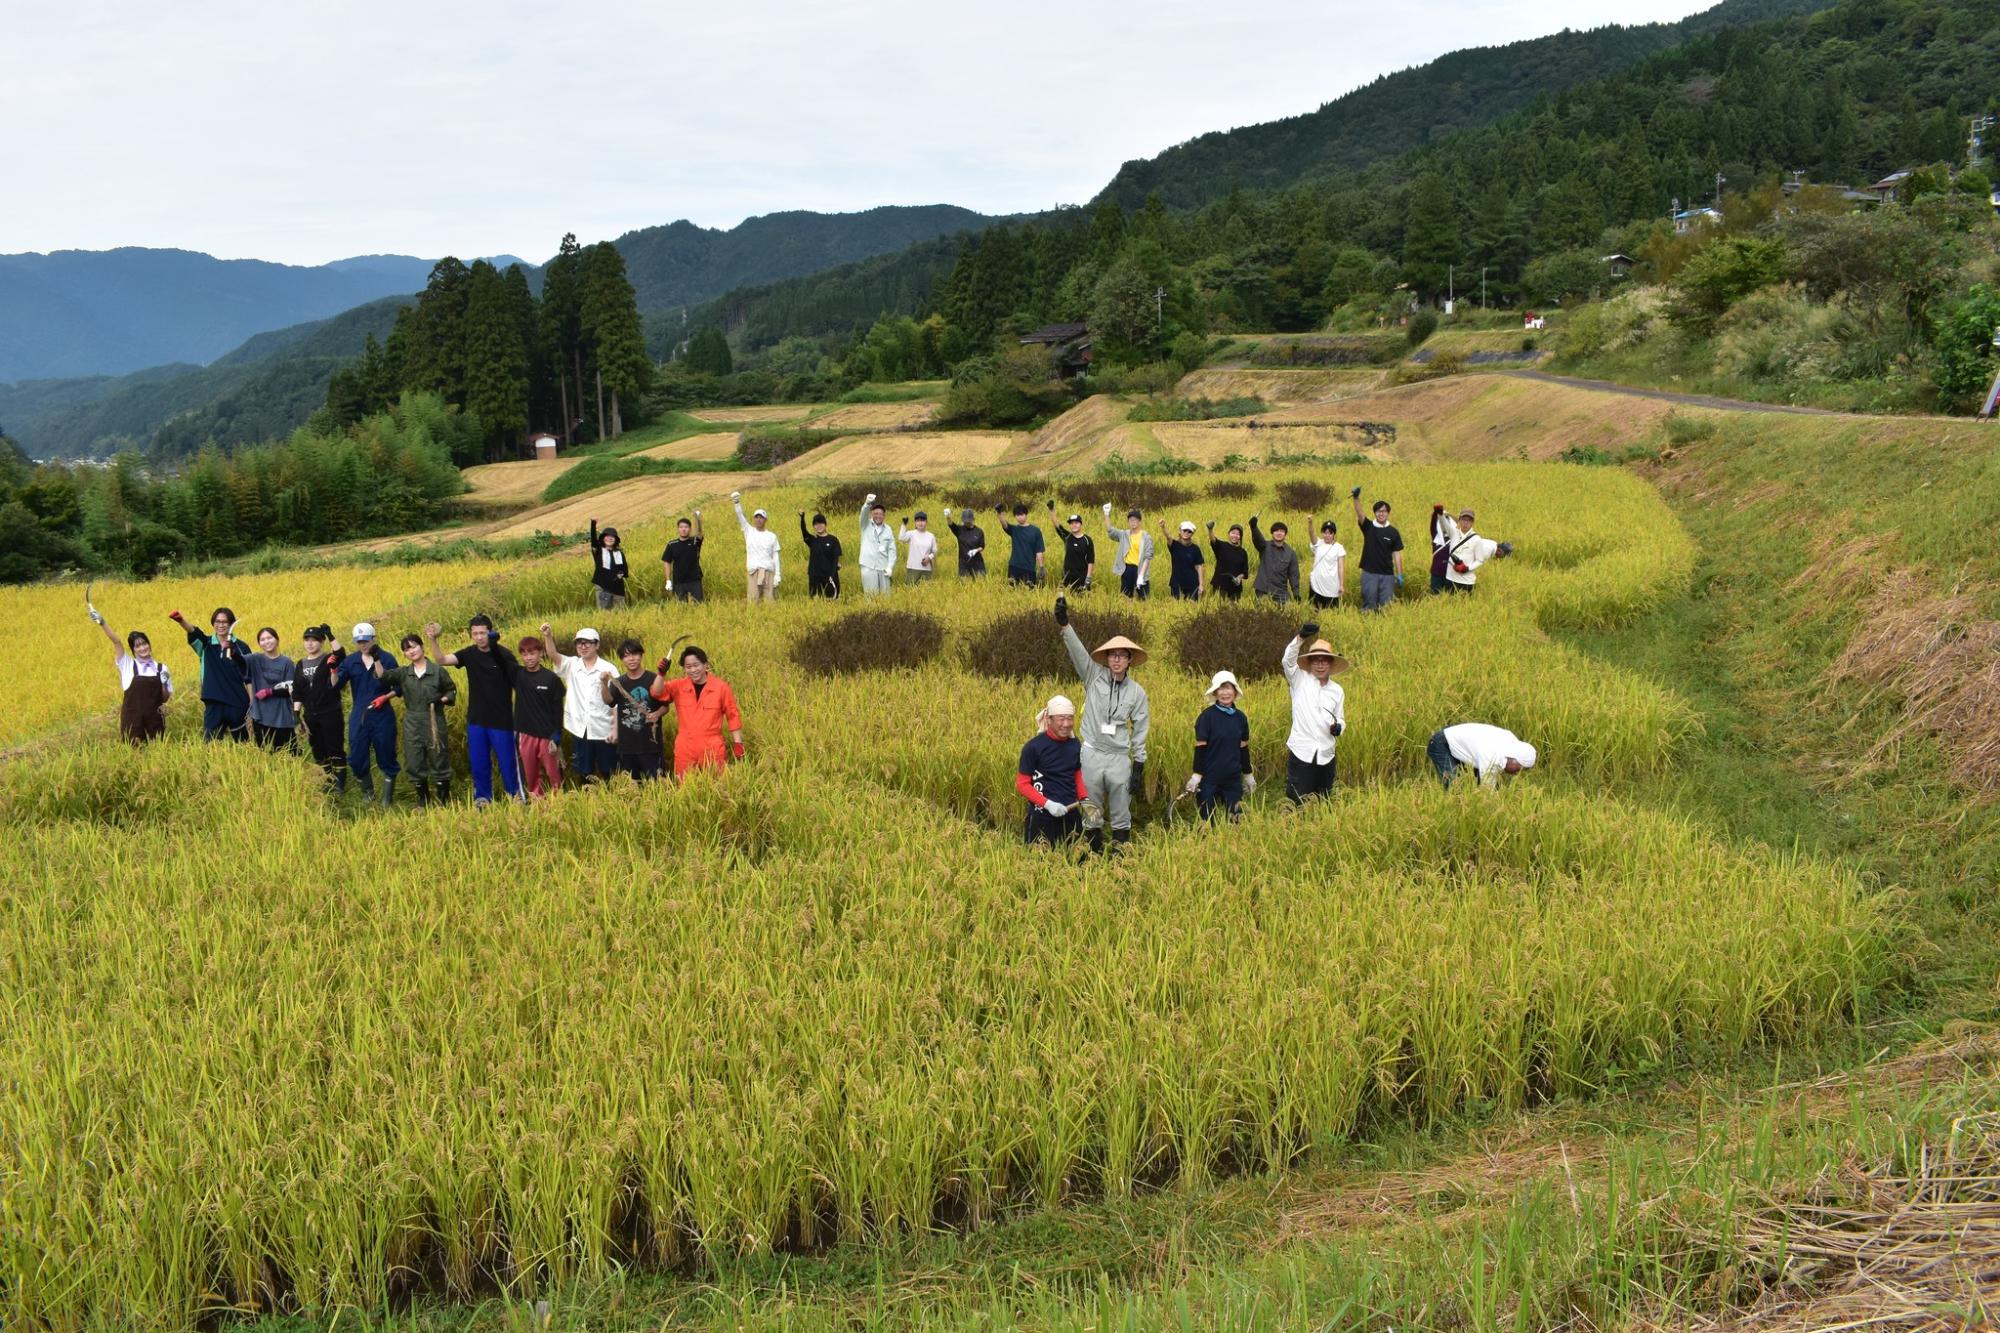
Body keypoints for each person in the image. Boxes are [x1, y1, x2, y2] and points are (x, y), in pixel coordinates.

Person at [1055, 596, 1150, 852]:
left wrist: (1139, 763)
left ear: (1130, 660)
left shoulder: (1137, 693)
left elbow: (1140, 728)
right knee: (1091, 808)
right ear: (1106, 658)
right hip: (1092, 753)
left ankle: (1121, 860)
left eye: (1122, 656)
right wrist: (1065, 624)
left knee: (1121, 810)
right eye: (1113, 655)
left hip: (1119, 757)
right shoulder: (1093, 676)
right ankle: (1092, 854)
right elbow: (1077, 652)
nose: (1117, 660)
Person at [427, 614, 522, 807]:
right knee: (479, 763)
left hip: (502, 720)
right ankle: (483, 798)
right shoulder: (469, 654)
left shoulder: (504, 655)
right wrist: (433, 639)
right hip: (476, 719)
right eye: (475, 633)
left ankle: (515, 796)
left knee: (508, 762)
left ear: (491, 632)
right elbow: (441, 659)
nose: (479, 637)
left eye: (483, 633)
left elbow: (519, 682)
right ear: (471, 634)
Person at [376, 633, 457, 808]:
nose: (411, 651)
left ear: (422, 646)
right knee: (414, 760)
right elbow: (383, 675)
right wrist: (376, 658)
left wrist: (440, 700)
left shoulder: (437, 671)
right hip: (412, 721)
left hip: (434, 719)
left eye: (413, 646)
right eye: (406, 649)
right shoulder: (404, 673)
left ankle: (443, 801)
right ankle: (423, 800)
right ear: (404, 654)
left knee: (439, 757)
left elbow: (451, 691)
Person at [540, 623, 618, 785]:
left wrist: (615, 729)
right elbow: (553, 655)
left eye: (587, 643)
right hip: (580, 728)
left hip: (603, 729)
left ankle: (615, 803)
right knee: (584, 772)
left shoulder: (608, 669)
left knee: (609, 771)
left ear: (597, 645)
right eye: (579, 643)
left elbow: (616, 703)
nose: (583, 647)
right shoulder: (572, 665)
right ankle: (589, 804)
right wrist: (548, 636)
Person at [648, 645, 743, 778]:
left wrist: (738, 743)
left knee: (717, 787)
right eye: (688, 667)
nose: (693, 670)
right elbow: (656, 692)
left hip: (712, 747)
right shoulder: (678, 686)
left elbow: (733, 716)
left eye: (696, 665)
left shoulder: (721, 688)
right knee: (685, 788)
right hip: (685, 747)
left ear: (705, 664)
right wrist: (661, 674)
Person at [1280, 621, 1347, 804]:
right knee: (1297, 802)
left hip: (1326, 754)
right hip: (1302, 753)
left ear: (1331, 663)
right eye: (1315, 660)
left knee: (1323, 802)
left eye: (1324, 661)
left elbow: (1340, 717)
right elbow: (1287, 660)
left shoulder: (1337, 690)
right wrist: (1301, 637)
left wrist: (1339, 727)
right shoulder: (1299, 680)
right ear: (1309, 663)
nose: (1320, 665)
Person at [334, 622, 399, 805]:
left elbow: (398, 686)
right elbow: (337, 685)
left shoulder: (387, 658)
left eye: (366, 640)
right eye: (359, 641)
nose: (363, 644)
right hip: (360, 713)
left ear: (374, 638)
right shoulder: (351, 661)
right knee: (356, 756)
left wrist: (385, 697)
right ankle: (368, 793)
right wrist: (333, 669)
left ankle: (387, 798)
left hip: (382, 713)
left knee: (386, 753)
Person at [91, 602, 171, 742]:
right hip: (133, 722)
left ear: (149, 645)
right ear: (133, 650)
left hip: (155, 722)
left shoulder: (161, 668)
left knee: (158, 752)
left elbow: (164, 699)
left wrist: (164, 683)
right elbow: (117, 642)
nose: (142, 648)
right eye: (138, 646)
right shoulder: (127, 664)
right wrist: (102, 622)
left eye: (144, 644)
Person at [169, 606, 251, 742]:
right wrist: (181, 620)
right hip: (214, 702)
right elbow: (194, 631)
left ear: (231, 624)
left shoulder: (241, 647)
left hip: (238, 702)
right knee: (210, 743)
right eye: (217, 622)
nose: (221, 625)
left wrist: (252, 702)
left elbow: (249, 675)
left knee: (243, 742)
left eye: (224, 622)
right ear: (213, 623)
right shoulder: (206, 644)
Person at [1017, 694, 1087, 847]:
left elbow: (1076, 773)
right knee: (1041, 864)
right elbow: (1022, 784)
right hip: (1042, 816)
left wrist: (1084, 798)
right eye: (1061, 719)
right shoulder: (1033, 748)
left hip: (1070, 813)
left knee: (1078, 862)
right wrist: (1048, 804)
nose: (1067, 724)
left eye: (1070, 718)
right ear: (1049, 719)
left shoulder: (1075, 744)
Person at [1188, 670, 1255, 821]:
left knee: (1235, 820)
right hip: (1209, 778)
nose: (1225, 693)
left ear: (1235, 691)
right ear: (1215, 692)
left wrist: (1248, 774)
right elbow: (1200, 749)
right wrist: (1196, 775)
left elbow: (1243, 749)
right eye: (1221, 688)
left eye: (1228, 688)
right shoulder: (1206, 717)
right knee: (1207, 821)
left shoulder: (1240, 718)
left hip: (1233, 777)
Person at [291, 625, 348, 791]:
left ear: (321, 642)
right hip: (310, 714)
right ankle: (327, 780)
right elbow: (297, 691)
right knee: (318, 749)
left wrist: (330, 635)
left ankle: (340, 782)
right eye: (307, 640)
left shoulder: (328, 658)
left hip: (330, 712)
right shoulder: (300, 664)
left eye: (314, 640)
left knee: (334, 747)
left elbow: (340, 654)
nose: (310, 644)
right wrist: (296, 713)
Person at [603, 638, 666, 780]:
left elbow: (665, 705)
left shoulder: (653, 678)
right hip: (627, 748)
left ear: (641, 655)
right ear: (622, 659)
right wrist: (603, 683)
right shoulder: (618, 682)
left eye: (635, 654)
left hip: (651, 747)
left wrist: (657, 713)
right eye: (626, 655)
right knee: (632, 790)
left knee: (657, 788)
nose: (631, 659)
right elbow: (609, 701)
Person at [511, 635, 566, 799]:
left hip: (547, 736)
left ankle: (560, 801)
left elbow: (558, 709)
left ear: (541, 653)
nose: (529, 658)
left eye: (532, 653)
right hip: (525, 734)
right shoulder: (518, 675)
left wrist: (557, 733)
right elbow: (500, 661)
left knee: (554, 773)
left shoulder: (551, 678)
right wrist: (492, 641)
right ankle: (538, 802)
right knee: (531, 774)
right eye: (525, 654)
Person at [1429, 723, 1536, 788]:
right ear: (1513, 759)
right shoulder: (1491, 755)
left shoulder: (1513, 745)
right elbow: (1486, 792)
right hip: (1442, 743)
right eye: (1519, 769)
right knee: (1454, 787)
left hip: (1465, 744)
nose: (1517, 773)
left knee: (1476, 784)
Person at [1431, 506, 1507, 594]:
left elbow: (1480, 560)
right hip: (1450, 579)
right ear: (1459, 520)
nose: (1466, 523)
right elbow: (1443, 524)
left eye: (1469, 520)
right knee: (1449, 604)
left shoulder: (1477, 539)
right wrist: (1439, 514)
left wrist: (1466, 568)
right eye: (1463, 519)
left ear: (1472, 522)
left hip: (1467, 582)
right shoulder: (1453, 534)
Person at [1351, 487, 1405, 611]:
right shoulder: (1369, 527)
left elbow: (1397, 554)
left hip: (1387, 574)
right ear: (1375, 513)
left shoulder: (1393, 532)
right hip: (1369, 573)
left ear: (1388, 513)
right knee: (1369, 605)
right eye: (1379, 511)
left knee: (1386, 607)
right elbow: (1360, 513)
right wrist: (1356, 498)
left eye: (1384, 511)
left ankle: (1383, 630)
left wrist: (1400, 574)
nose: (1381, 513)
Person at [245, 627, 298, 751]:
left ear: (277, 640)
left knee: (290, 754)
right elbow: (239, 661)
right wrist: (231, 650)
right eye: (262, 639)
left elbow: (290, 689)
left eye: (269, 638)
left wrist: (269, 692)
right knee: (265, 753)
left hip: (281, 716)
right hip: (260, 715)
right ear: (259, 644)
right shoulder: (254, 659)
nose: (266, 641)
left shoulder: (286, 662)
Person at [733, 491, 782, 602]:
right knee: (753, 600)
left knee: (770, 601)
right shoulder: (749, 531)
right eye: (756, 517)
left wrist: (778, 574)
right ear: (753, 519)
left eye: (761, 517)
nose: (758, 520)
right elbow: (740, 516)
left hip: (768, 571)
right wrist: (736, 503)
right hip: (753, 571)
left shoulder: (772, 536)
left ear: (765, 520)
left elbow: (776, 556)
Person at [1103, 503, 1154, 600]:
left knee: (1144, 598)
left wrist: (1141, 575)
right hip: (1127, 569)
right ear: (1128, 521)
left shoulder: (1146, 537)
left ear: (1139, 521)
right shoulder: (1124, 534)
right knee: (1125, 597)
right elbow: (1110, 531)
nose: (1133, 522)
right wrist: (1106, 513)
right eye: (1131, 520)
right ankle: (1127, 614)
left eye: (1135, 520)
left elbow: (1148, 557)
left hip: (1140, 569)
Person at [1250, 517, 1301, 604]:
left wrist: (1296, 593)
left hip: (1281, 592)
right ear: (1272, 533)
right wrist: (1254, 527)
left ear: (1285, 534)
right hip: (1263, 590)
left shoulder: (1291, 553)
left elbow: (1294, 575)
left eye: (1281, 531)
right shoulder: (1264, 546)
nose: (1279, 533)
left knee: (1287, 614)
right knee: (1263, 614)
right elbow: (1258, 539)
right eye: (1276, 531)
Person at [661, 512, 705, 602]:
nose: (683, 529)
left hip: (694, 579)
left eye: (686, 527)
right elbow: (667, 562)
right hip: (679, 581)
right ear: (678, 529)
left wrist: (697, 519)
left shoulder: (694, 541)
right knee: (681, 607)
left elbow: (700, 533)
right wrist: (668, 580)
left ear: (690, 529)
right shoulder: (672, 544)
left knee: (698, 604)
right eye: (681, 527)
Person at [998, 503, 1045, 587]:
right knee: (1011, 590)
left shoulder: (1036, 531)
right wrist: (999, 512)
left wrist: (1041, 567)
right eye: (1017, 515)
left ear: (1026, 515)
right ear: (1015, 516)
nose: (1019, 517)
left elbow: (1039, 551)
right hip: (1014, 566)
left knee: (1029, 591)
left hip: (1029, 568)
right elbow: (1004, 524)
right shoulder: (1014, 530)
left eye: (1021, 514)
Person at [1157, 519, 1206, 600]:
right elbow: (1168, 537)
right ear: (1180, 531)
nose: (1186, 533)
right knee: (1177, 606)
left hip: (1192, 583)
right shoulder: (1175, 545)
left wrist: (1201, 584)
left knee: (1193, 607)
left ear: (1192, 533)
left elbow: (1199, 566)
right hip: (1176, 583)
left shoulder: (1195, 548)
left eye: (1189, 531)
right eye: (1184, 530)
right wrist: (1163, 527)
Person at [858, 493, 896, 594]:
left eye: (880, 514)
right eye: (875, 513)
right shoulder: (865, 525)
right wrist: (867, 504)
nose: (878, 516)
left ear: (884, 516)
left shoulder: (888, 529)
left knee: (886, 595)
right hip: (868, 566)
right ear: (871, 514)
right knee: (871, 595)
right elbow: (863, 514)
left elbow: (892, 549)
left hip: (883, 567)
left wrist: (890, 567)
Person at [799, 511, 843, 598]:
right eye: (816, 524)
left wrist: (832, 575)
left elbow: (835, 559)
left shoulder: (833, 540)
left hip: (829, 576)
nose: (818, 526)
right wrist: (802, 518)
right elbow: (804, 532)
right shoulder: (812, 540)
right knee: (815, 599)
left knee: (831, 600)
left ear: (825, 524)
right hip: (814, 575)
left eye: (821, 523)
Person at [588, 519, 630, 611]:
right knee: (604, 614)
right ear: (603, 538)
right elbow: (593, 539)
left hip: (618, 587)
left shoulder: (619, 553)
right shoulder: (598, 551)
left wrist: (620, 574)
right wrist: (593, 524)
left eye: (612, 537)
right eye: (607, 536)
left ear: (615, 540)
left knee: (619, 613)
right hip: (603, 587)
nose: (610, 538)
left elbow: (625, 570)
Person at [1306, 518, 1348, 610]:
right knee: (1315, 609)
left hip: (1332, 585)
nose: (1327, 535)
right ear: (1322, 533)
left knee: (1331, 610)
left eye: (1330, 533)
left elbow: (1341, 567)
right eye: (1325, 532)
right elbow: (1311, 534)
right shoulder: (1318, 544)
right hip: (1316, 584)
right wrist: (1310, 523)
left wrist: (1341, 585)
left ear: (1334, 534)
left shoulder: (1339, 548)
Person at [1206, 521, 1250, 600]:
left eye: (1238, 534)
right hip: (1220, 586)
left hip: (1235, 590)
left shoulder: (1243, 552)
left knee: (1233, 611)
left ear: (1240, 537)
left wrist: (1239, 578)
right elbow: (1213, 540)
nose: (1235, 536)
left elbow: (1245, 572)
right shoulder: (1222, 546)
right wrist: (1210, 529)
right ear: (1229, 534)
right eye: (1233, 533)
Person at [1056, 508, 1095, 591]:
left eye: (1076, 523)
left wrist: (1088, 577)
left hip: (1082, 577)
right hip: (1067, 576)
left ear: (1081, 524)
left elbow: (1091, 560)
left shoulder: (1087, 540)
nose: (1074, 525)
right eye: (1071, 523)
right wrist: (1051, 510)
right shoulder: (1067, 537)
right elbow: (1057, 526)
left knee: (1082, 602)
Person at [943, 508, 986, 577]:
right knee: (965, 584)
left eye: (968, 521)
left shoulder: (979, 531)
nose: (966, 523)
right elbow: (951, 525)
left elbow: (982, 546)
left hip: (977, 563)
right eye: (965, 521)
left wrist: (976, 550)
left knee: (980, 583)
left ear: (973, 519)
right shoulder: (959, 530)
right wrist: (948, 516)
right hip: (964, 563)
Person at [899, 511, 939, 585]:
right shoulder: (911, 534)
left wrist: (929, 558)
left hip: (926, 569)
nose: (920, 523)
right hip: (913, 568)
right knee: (910, 591)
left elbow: (935, 551)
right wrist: (904, 524)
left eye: (922, 520)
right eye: (918, 521)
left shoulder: (931, 536)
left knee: (925, 592)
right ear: (915, 522)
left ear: (926, 522)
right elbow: (901, 538)